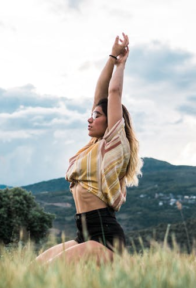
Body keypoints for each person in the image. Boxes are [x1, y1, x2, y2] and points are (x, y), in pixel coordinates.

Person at [36, 33, 143, 265]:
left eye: (96, 116)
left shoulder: (113, 144)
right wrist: (111, 57)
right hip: (83, 233)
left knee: (48, 271)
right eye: (91, 115)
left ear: (111, 122)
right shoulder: (93, 146)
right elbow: (101, 93)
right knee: (35, 268)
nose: (89, 119)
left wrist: (121, 65)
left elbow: (113, 93)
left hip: (105, 237)